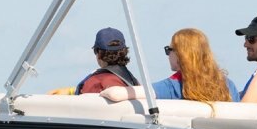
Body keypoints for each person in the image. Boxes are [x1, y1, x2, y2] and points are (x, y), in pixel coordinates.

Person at [102, 28, 239, 103]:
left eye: (169, 50)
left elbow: (116, 94)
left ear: (181, 54)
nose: (168, 55)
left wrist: (104, 92)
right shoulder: (227, 85)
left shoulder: (173, 87)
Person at [51, 27, 139, 95]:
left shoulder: (95, 82)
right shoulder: (133, 82)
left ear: (98, 53)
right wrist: (71, 91)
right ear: (124, 52)